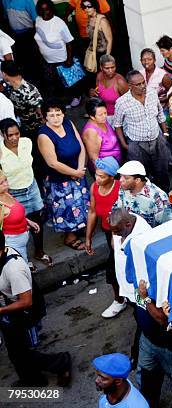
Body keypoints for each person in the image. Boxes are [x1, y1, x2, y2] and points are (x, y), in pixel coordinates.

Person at [109, 208, 172, 408]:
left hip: (167, 345)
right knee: (147, 378)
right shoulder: (142, 273)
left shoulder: (160, 284)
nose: (116, 235)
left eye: (117, 231)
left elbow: (162, 319)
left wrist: (144, 298)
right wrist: (139, 297)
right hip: (148, 339)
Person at [0, 230, 71, 386]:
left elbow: (26, 302)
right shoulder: (3, 254)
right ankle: (32, 379)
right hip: (8, 306)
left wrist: (1, 311)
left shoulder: (14, 270)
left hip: (20, 309)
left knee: (20, 352)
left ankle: (61, 362)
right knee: (15, 351)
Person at [37, 101, 89, 250]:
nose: (55, 118)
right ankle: (70, 236)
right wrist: (74, 173)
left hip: (78, 173)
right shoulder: (44, 135)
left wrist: (80, 168)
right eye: (51, 115)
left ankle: (81, 226)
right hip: (60, 180)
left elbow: (80, 146)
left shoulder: (68, 123)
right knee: (67, 208)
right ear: (45, 116)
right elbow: (52, 162)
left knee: (80, 203)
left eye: (58, 113)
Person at [0, 119, 49, 267]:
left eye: (17, 133)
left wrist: (41, 185)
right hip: (13, 193)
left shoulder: (27, 142)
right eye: (10, 135)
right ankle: (23, 260)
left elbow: (36, 163)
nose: (15, 138)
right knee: (18, 226)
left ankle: (39, 251)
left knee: (37, 220)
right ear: (3, 135)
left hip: (31, 186)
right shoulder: (0, 152)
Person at [113, 70, 171, 192]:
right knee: (141, 174)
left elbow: (160, 113)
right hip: (136, 144)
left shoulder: (152, 93)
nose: (142, 86)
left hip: (157, 139)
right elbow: (117, 125)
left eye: (143, 82)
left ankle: (165, 196)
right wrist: (125, 145)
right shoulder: (122, 102)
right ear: (130, 86)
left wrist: (165, 133)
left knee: (162, 171)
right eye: (138, 84)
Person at [84, 156, 123, 318]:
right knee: (117, 267)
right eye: (97, 174)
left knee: (113, 269)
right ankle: (124, 298)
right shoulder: (94, 187)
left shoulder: (121, 188)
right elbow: (93, 212)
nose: (97, 178)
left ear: (112, 177)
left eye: (102, 176)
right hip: (109, 234)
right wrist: (88, 237)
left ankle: (121, 301)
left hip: (122, 234)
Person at [34, 0, 77, 102]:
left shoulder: (59, 23)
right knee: (52, 81)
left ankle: (74, 98)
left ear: (52, 9)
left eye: (47, 9)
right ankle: (58, 101)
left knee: (67, 81)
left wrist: (69, 59)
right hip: (46, 60)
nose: (44, 12)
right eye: (41, 10)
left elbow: (69, 42)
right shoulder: (38, 20)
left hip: (61, 59)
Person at [113, 160, 172, 228]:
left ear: (137, 180)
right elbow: (118, 207)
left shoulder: (158, 197)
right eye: (120, 176)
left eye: (126, 178)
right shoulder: (124, 188)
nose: (121, 180)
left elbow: (167, 225)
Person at [0, 61, 44, 142]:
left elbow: (40, 110)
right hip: (23, 127)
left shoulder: (28, 90)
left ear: (4, 73)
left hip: (36, 128)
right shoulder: (10, 86)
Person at [82, 97, 121, 169]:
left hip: (115, 165)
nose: (105, 116)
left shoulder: (102, 121)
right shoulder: (91, 132)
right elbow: (94, 159)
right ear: (92, 117)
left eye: (105, 112)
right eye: (100, 115)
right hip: (105, 170)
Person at [90, 55, 128, 123]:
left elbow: (128, 102)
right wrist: (92, 92)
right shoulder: (99, 76)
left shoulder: (120, 81)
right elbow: (97, 92)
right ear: (101, 67)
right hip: (103, 116)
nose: (110, 70)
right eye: (107, 68)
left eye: (112, 67)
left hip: (117, 118)